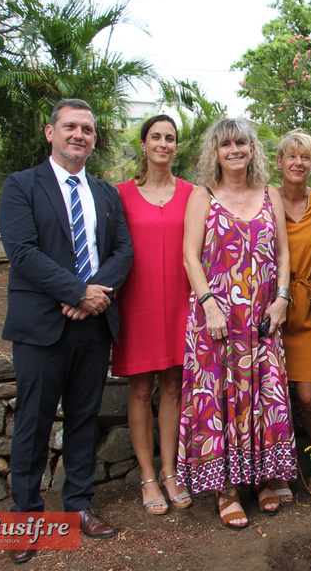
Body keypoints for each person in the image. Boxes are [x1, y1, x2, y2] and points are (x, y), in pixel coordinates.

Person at [0, 98, 133, 564]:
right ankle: (26, 517)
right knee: (33, 425)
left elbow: (122, 252)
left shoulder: (105, 193)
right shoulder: (21, 186)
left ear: (95, 140)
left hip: (93, 325)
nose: (79, 134)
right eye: (70, 126)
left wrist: (95, 294)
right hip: (41, 327)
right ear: (49, 131)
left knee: (82, 419)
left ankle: (78, 505)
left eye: (88, 129)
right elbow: (23, 252)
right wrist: (78, 291)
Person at [178, 117, 298, 530]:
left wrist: (282, 300)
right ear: (216, 151)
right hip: (218, 320)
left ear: (252, 149)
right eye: (226, 144)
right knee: (220, 400)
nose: (235, 150)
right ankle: (226, 489)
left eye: (242, 143)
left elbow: (283, 254)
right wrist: (209, 305)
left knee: (265, 396)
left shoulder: (270, 194)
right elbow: (190, 257)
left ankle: (264, 479)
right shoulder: (202, 195)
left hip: (263, 317)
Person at [112, 115, 193, 515]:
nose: (163, 143)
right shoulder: (120, 194)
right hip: (137, 303)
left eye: (170, 138)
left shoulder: (195, 193)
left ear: (177, 147)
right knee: (141, 389)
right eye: (156, 137)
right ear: (143, 144)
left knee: (174, 388)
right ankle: (147, 477)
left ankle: (170, 471)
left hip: (181, 301)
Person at [273, 130, 311, 501]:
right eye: (290, 156)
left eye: (305, 157)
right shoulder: (263, 199)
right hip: (271, 311)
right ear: (278, 162)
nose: (298, 163)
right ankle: (276, 470)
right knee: (272, 400)